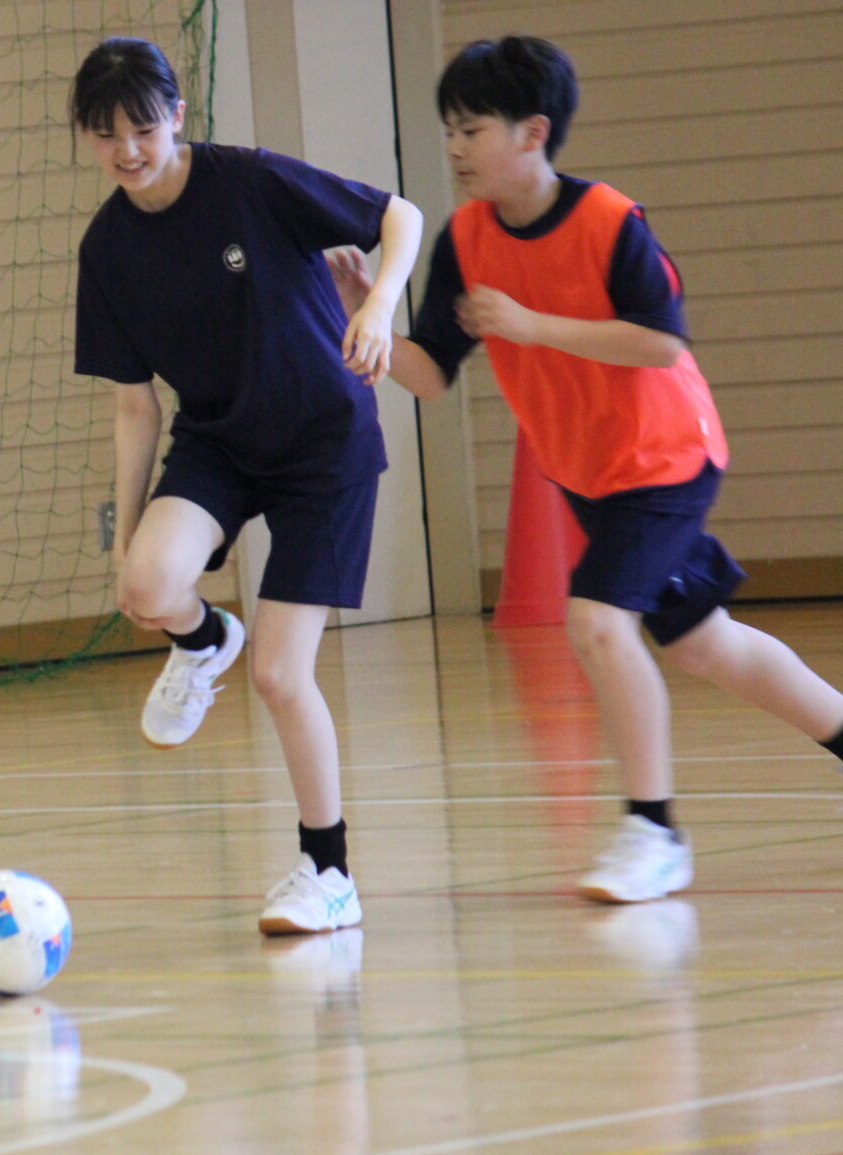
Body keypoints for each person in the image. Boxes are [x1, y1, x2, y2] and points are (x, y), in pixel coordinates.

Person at [328, 35, 843, 903]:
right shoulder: (466, 239)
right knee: (705, 644)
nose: (454, 147)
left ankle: (654, 829)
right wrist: (366, 323)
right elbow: (433, 372)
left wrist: (533, 327)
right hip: (588, 473)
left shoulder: (611, 222)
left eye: (472, 129)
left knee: (599, 624)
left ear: (533, 133)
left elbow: (660, 339)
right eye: (448, 129)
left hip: (666, 455)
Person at [70, 37, 423, 935]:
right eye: (107, 136)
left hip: (322, 446)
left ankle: (328, 872)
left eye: (143, 129)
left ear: (177, 117)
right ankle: (201, 640)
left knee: (279, 673)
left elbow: (401, 217)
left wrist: (377, 305)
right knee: (147, 584)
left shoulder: (250, 181)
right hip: (221, 443)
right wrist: (127, 527)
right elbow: (134, 406)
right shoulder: (107, 248)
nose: (129, 152)